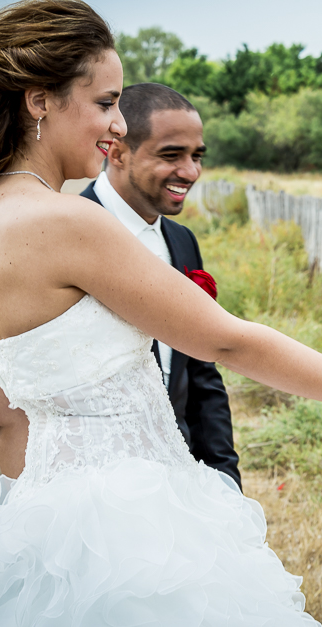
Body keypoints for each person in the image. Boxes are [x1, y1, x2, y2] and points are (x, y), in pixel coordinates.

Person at [0, 0, 322, 626]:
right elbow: (227, 342)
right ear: (40, 100)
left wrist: (44, 538)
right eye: (105, 102)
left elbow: (6, 418)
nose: (118, 125)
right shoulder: (65, 220)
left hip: (42, 520)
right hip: (135, 524)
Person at [80, 82, 240, 489]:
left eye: (197, 156)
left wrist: (225, 480)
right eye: (172, 155)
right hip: (96, 484)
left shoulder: (183, 241)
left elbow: (203, 375)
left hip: (179, 472)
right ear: (116, 152)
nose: (190, 172)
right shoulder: (71, 232)